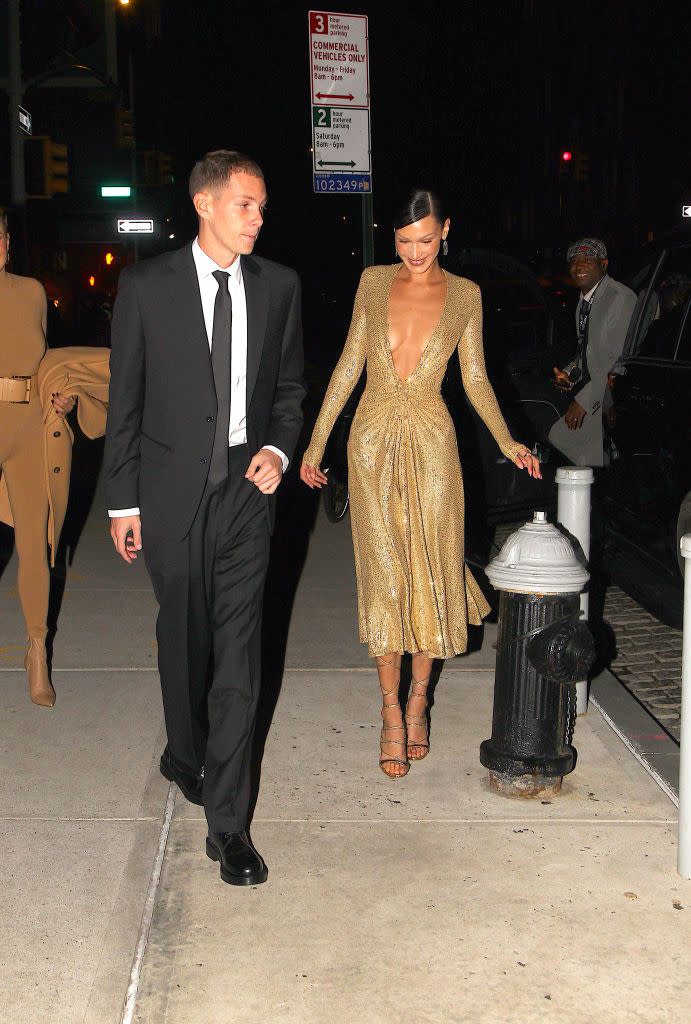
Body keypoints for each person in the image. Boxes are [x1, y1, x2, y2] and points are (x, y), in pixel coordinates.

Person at [104, 151, 304, 886]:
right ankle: (183, 753)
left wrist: (280, 450)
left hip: (246, 496)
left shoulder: (278, 285)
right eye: (246, 205)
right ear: (206, 205)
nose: (259, 217)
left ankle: (229, 828)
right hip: (168, 497)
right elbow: (124, 400)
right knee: (182, 641)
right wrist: (122, 501)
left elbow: (289, 386)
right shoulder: (147, 286)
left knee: (238, 659)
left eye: (260, 205)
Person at [300, 189, 540, 779]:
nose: (414, 252)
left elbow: (477, 379)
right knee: (382, 569)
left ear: (446, 232)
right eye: (404, 241)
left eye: (426, 240)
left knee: (431, 567)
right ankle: (388, 711)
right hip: (372, 440)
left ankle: (419, 700)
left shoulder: (464, 296)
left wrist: (509, 441)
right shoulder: (371, 283)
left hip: (434, 443)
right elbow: (349, 363)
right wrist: (315, 441)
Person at [0, 208, 77, 707]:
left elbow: (44, 359)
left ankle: (36, 650)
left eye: (1, 237)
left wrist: (61, 395)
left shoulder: (29, 291)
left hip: (28, 425)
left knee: (35, 541)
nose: (0, 245)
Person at [549, 238, 637, 467]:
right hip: (599, 391)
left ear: (604, 264)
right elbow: (586, 352)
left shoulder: (619, 297)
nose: (579, 266)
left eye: (587, 260)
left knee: (569, 445)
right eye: (574, 260)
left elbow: (616, 359)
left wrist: (584, 401)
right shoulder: (584, 302)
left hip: (619, 393)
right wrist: (570, 375)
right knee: (570, 447)